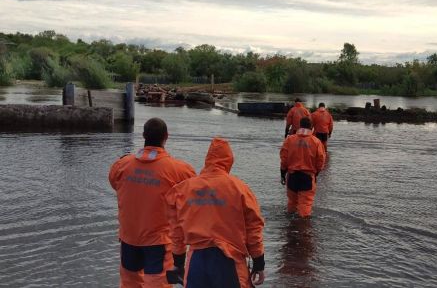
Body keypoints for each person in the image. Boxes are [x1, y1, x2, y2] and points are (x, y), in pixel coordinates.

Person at [166, 137, 265, 288]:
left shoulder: (183, 189)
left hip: (196, 261)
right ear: (229, 161)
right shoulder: (240, 188)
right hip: (229, 259)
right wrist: (258, 262)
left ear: (207, 159)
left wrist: (179, 262)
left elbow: (176, 231)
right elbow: (253, 228)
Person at [109, 117, 196, 288]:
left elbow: (114, 184)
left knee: (129, 282)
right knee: (158, 283)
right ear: (166, 136)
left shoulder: (122, 165)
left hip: (129, 237)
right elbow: (193, 199)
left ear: (143, 135)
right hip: (159, 241)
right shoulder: (180, 170)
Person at [280, 117, 326, 218]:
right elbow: (321, 160)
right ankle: (303, 229)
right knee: (305, 206)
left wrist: (282, 173)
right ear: (311, 127)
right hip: (307, 177)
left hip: (292, 175)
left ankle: (290, 228)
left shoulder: (290, 140)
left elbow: (284, 158)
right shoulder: (316, 142)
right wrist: (316, 173)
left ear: (300, 126)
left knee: (292, 203)